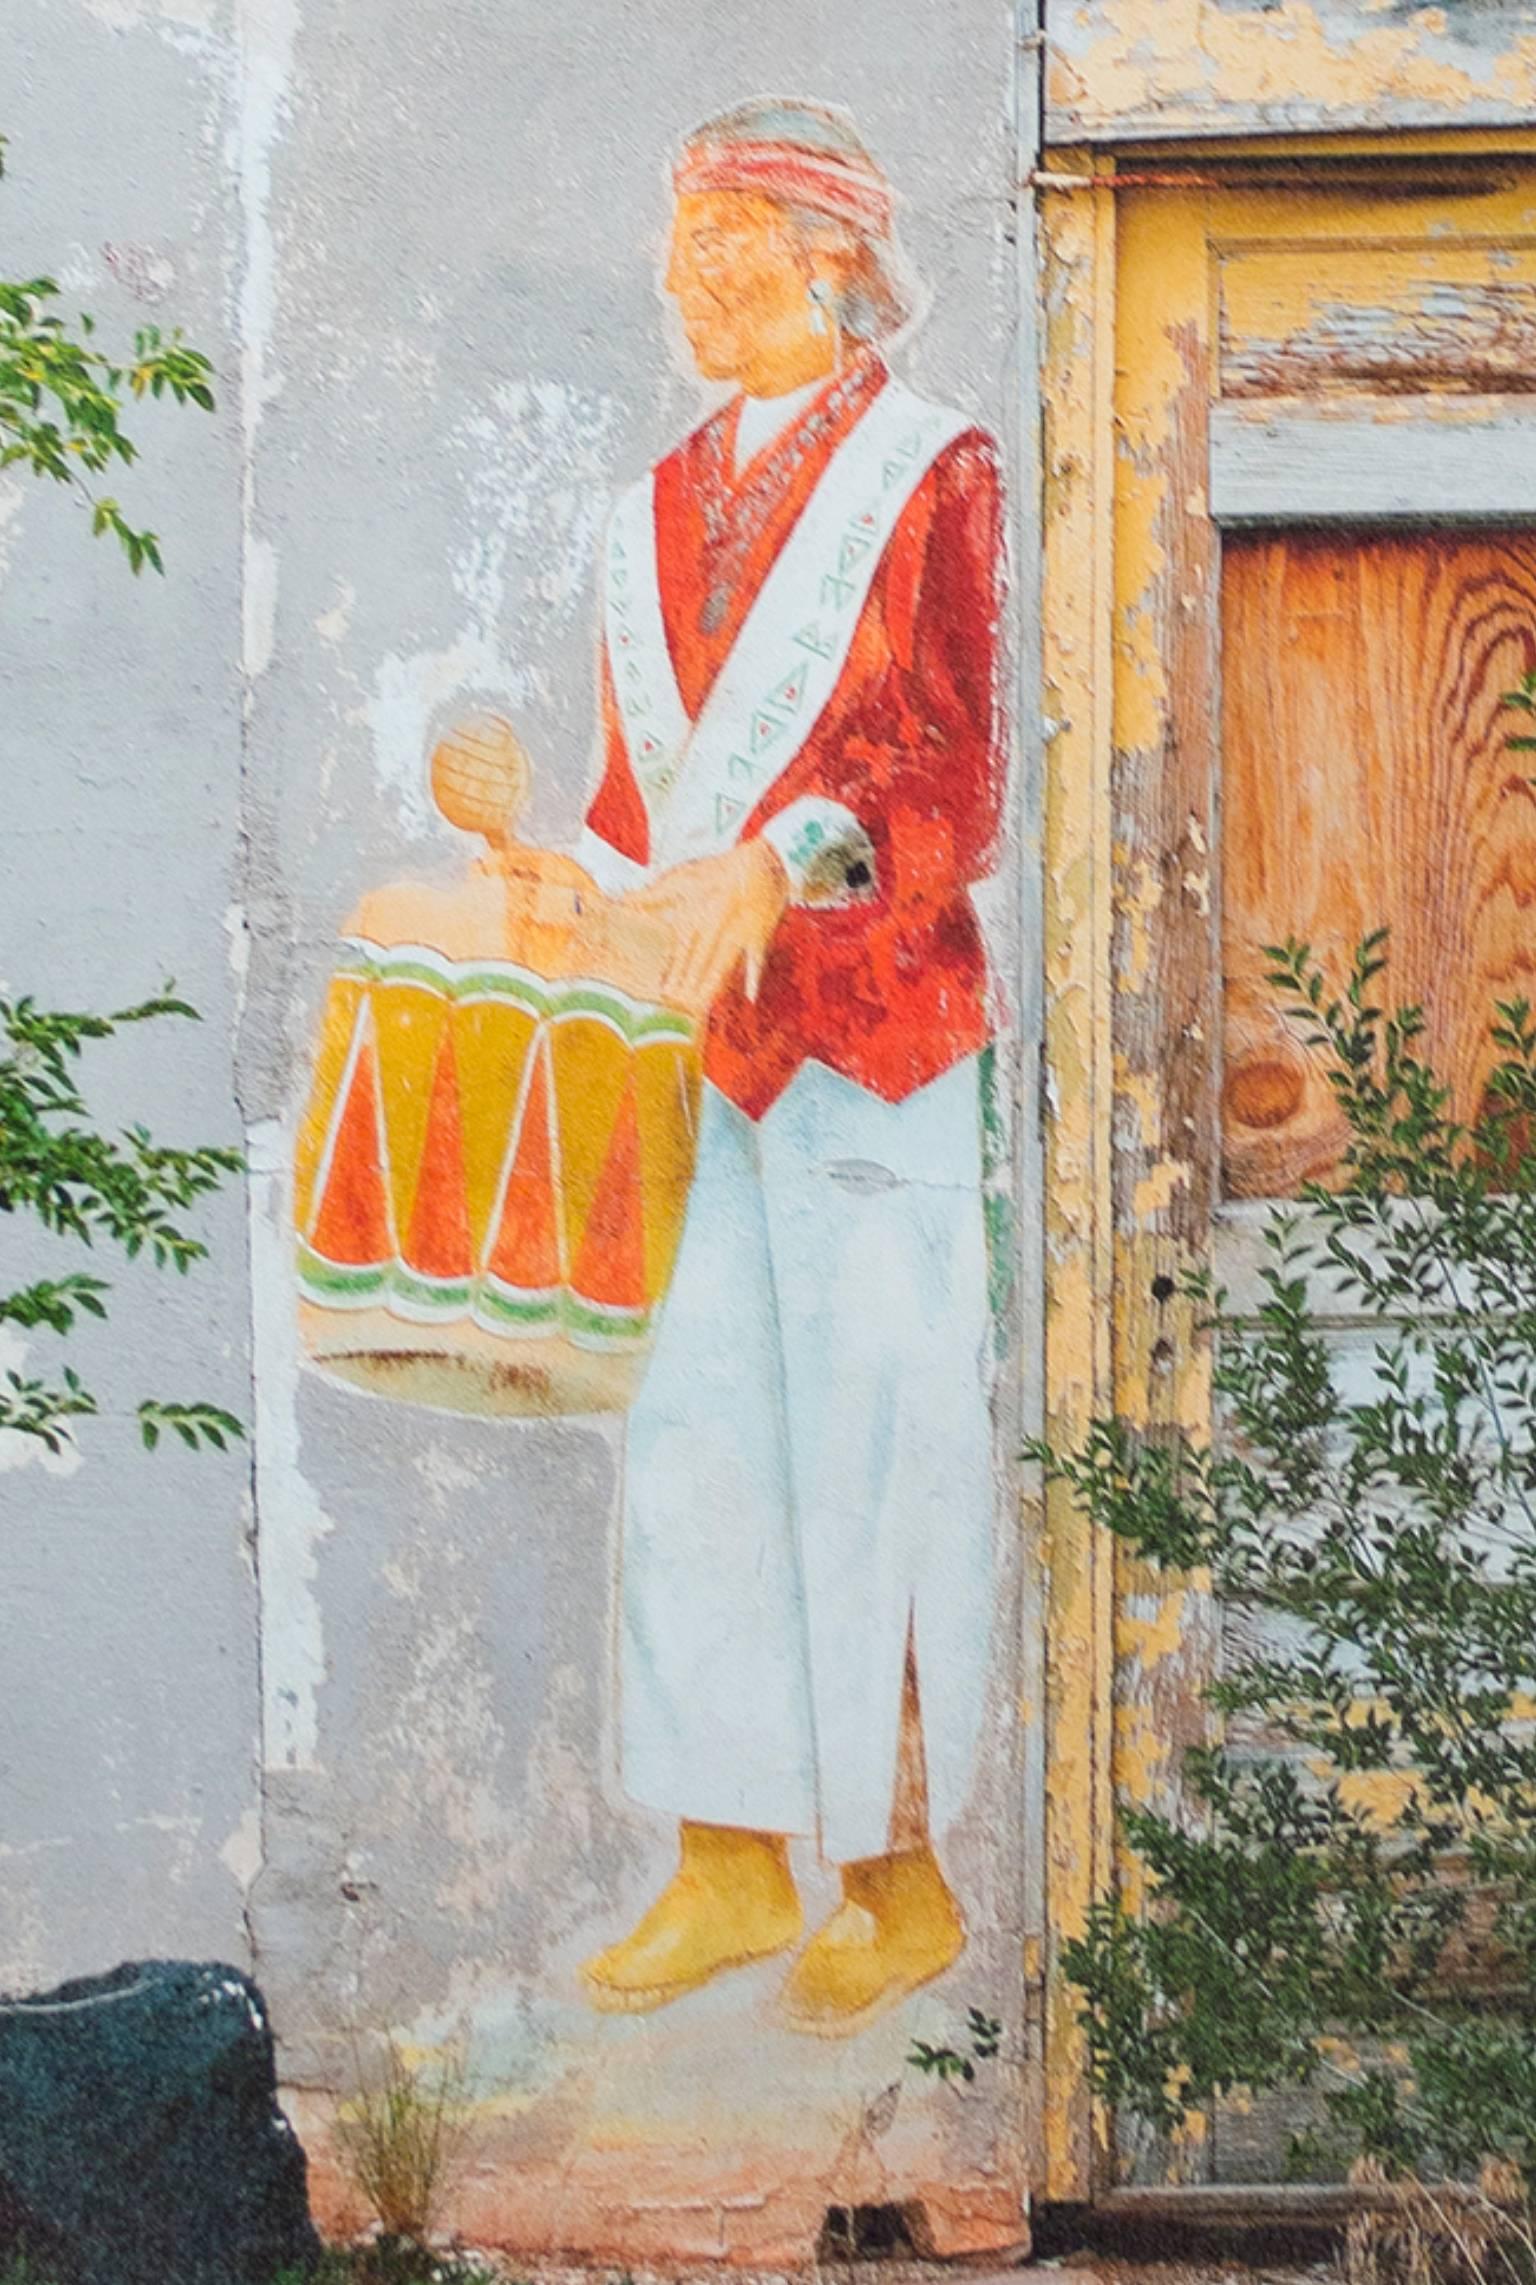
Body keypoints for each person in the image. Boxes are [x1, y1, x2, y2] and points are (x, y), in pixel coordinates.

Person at [573, 96, 1005, 2035]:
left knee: (878, 1448)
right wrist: (559, 888)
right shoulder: (653, 503)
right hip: (695, 1052)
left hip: (875, 1039)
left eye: (724, 251)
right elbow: (626, 802)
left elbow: (954, 775)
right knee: (692, 1451)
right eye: (681, 254)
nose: (689, 285)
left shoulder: (935, 472)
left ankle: (897, 1882)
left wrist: (784, 860)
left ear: (827, 253)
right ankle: (729, 1861)